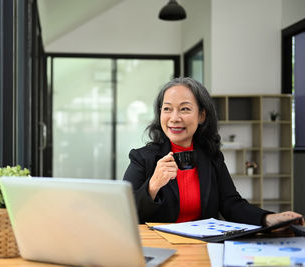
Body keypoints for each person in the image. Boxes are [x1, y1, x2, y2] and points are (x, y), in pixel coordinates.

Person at [123, 77, 304, 227]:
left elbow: (231, 204)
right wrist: (153, 185)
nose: (174, 118)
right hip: (157, 247)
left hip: (203, 247)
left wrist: (268, 218)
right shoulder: (142, 158)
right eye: (167, 109)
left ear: (201, 115)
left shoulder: (211, 156)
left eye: (184, 109)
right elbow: (124, 213)